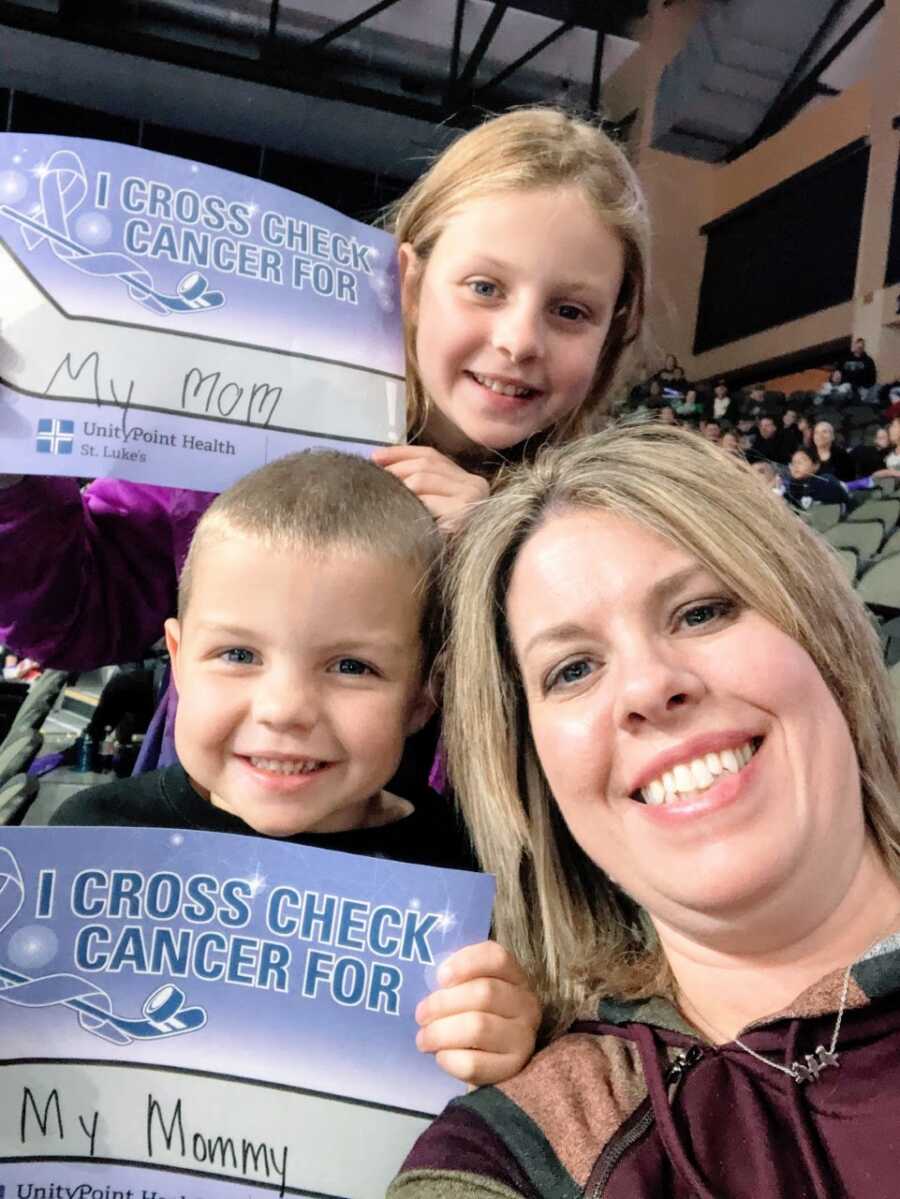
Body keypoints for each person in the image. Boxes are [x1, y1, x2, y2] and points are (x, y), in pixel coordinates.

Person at [0, 106, 648, 773]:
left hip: (452, 870)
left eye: (570, 311)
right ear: (412, 282)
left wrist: (506, 563)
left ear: (612, 330)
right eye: (484, 287)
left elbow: (604, 753)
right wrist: (11, 477)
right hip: (207, 858)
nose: (519, 340)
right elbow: (71, 611)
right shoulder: (250, 436)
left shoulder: (609, 529)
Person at [391, 424, 900, 1198]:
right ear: (534, 775)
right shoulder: (523, 1148)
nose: (647, 687)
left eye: (700, 612)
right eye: (572, 669)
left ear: (819, 634)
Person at [51, 450, 541, 1087]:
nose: (284, 709)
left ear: (424, 693)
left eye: (350, 667)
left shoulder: (470, 874)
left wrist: (510, 1042)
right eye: (237, 653)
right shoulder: (91, 841)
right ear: (177, 660)